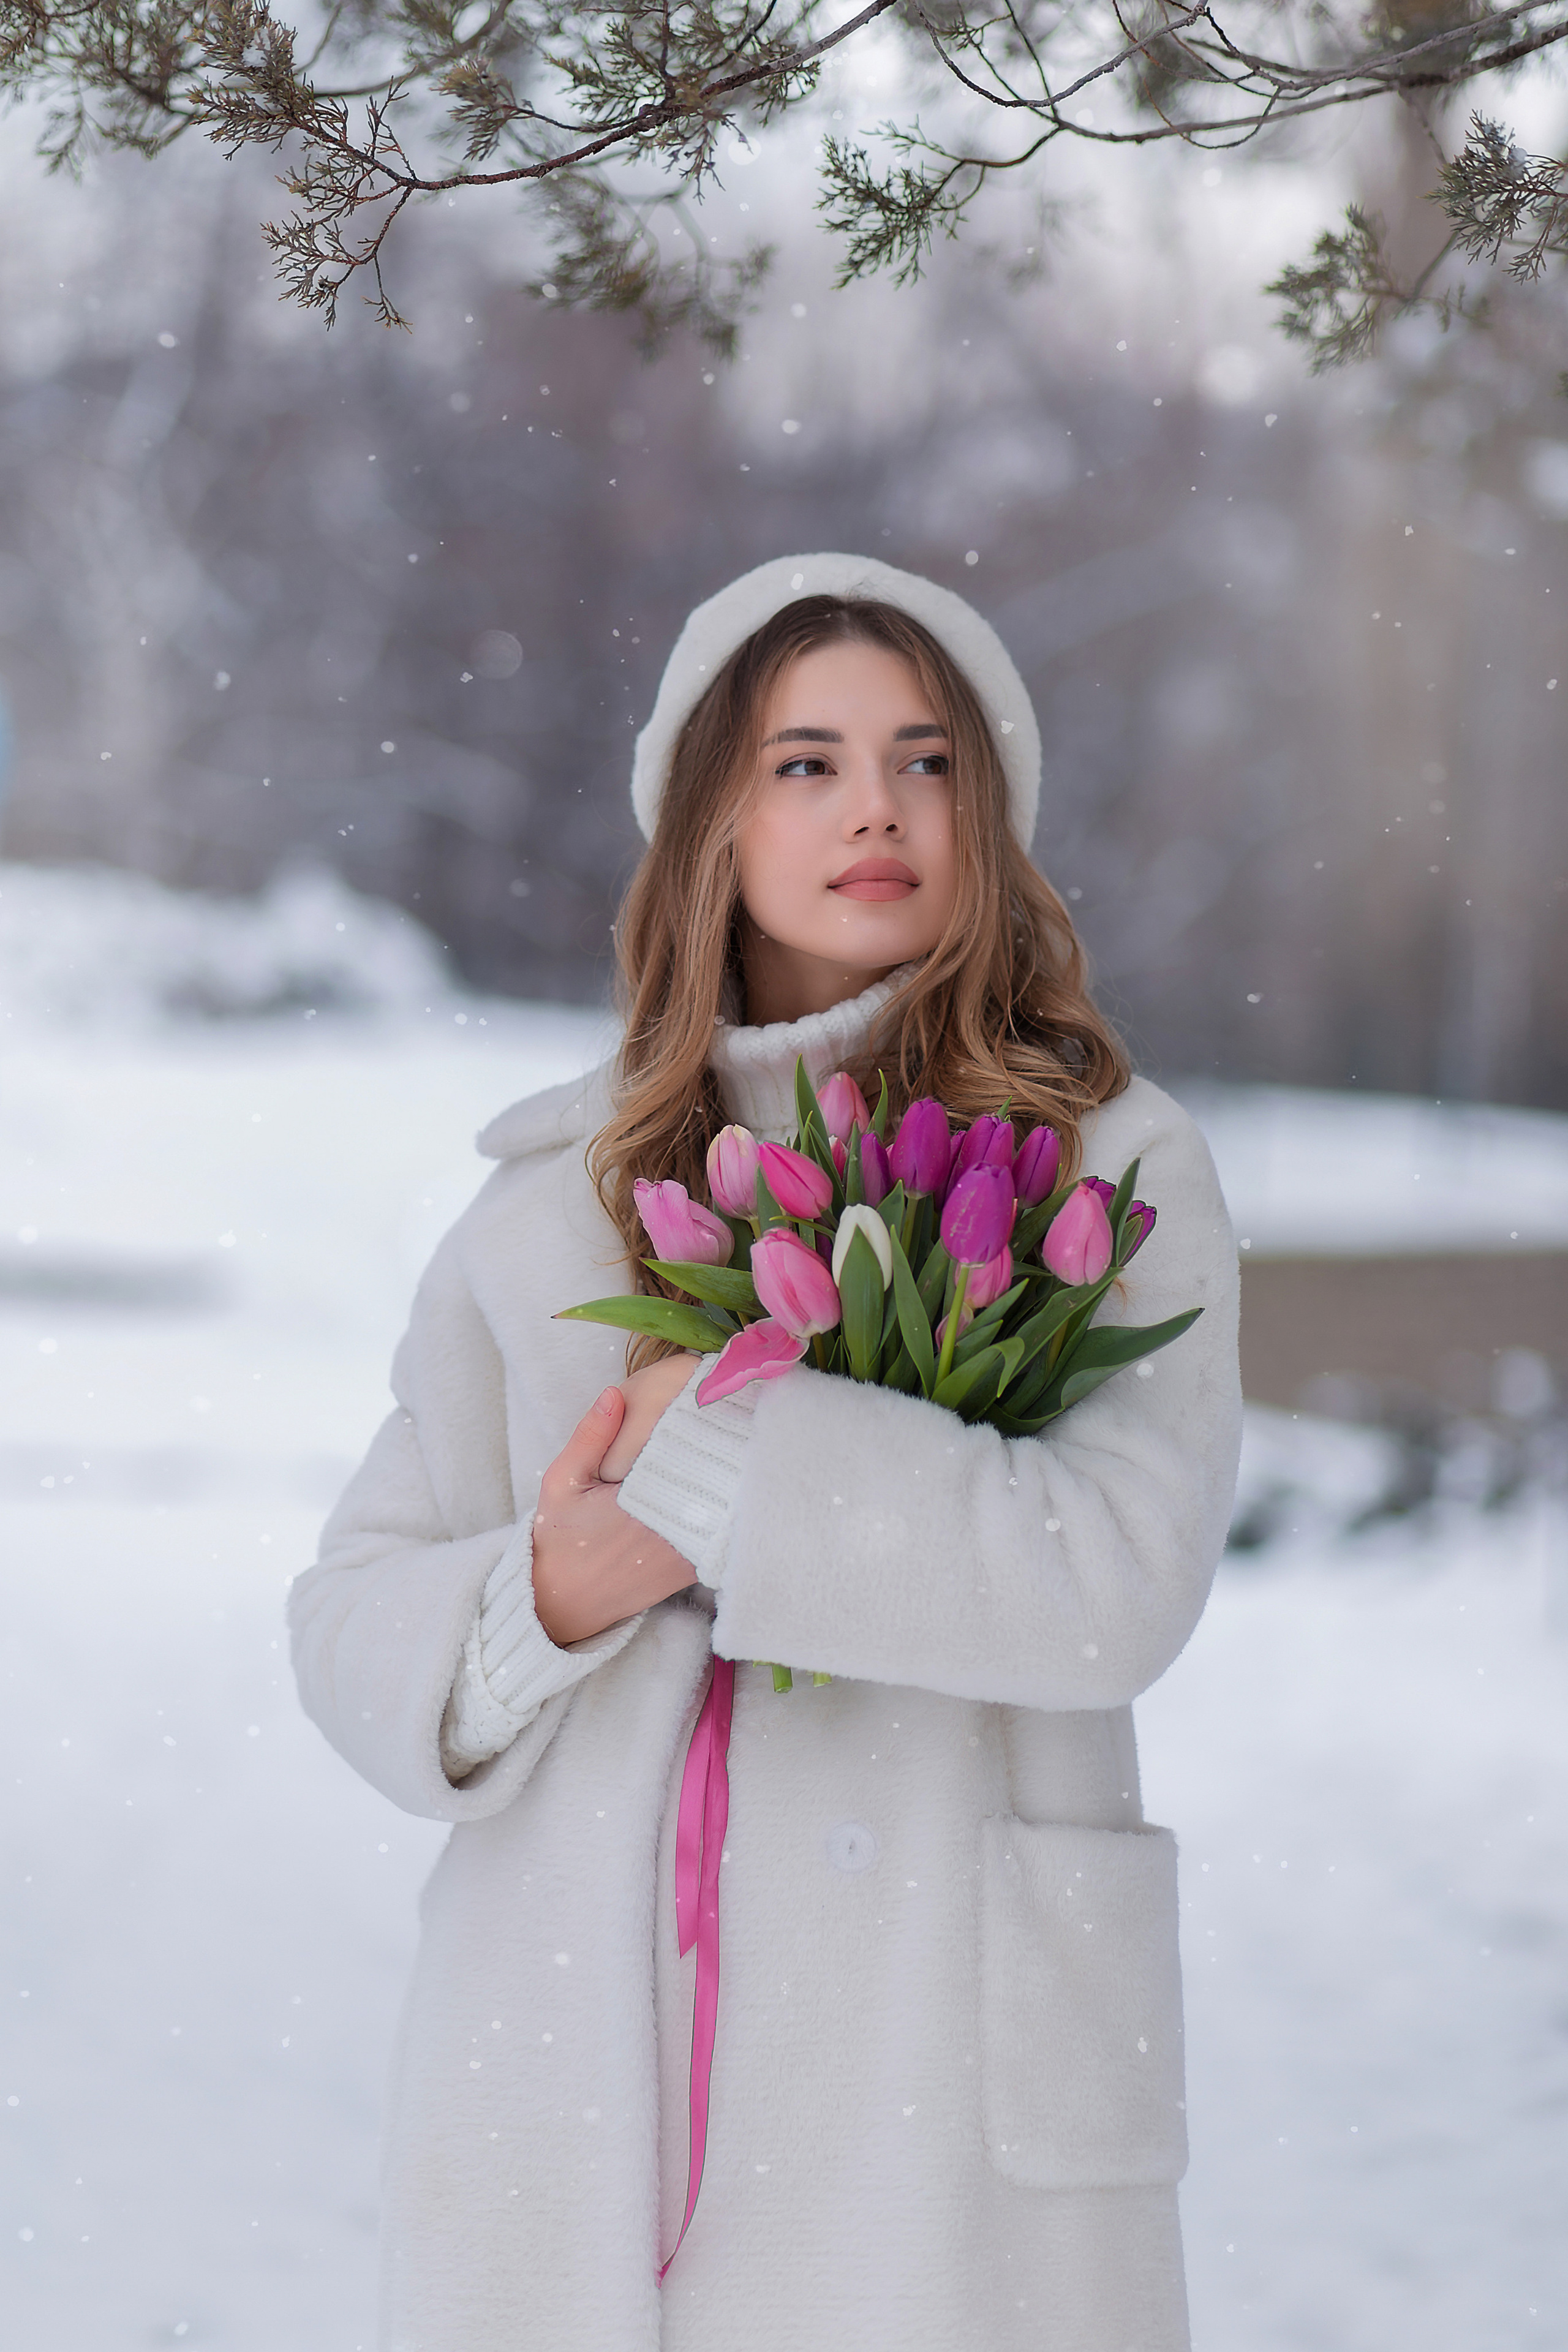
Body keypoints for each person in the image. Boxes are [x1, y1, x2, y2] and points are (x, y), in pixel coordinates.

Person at [288, 552, 1243, 2352]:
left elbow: (1116, 1584)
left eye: (926, 759)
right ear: (710, 820)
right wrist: (547, 1599)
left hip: (942, 2092)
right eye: (805, 762)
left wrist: (732, 1466)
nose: (876, 806)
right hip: (576, 2096)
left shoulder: (1107, 1165)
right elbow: (349, 1621)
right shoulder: (542, 1213)